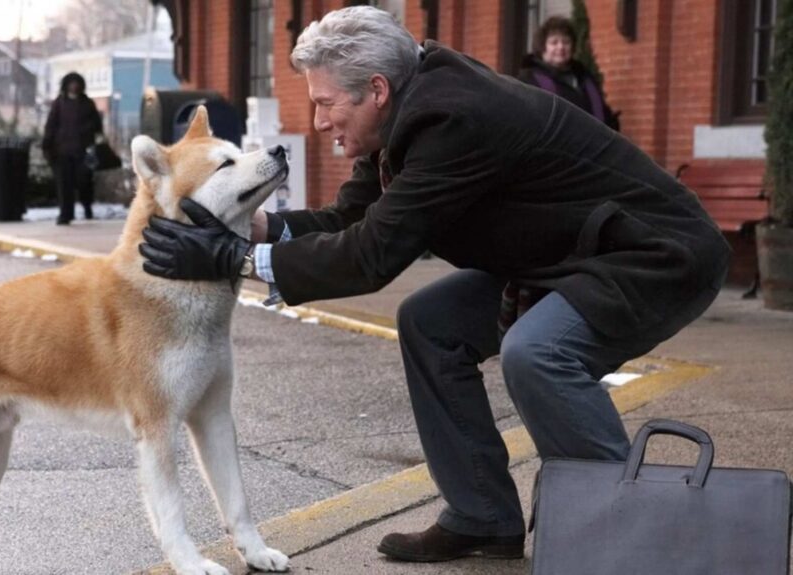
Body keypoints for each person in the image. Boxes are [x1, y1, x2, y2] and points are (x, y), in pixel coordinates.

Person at [139, 6, 729, 564]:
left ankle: (635, 530)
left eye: (324, 104)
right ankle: (482, 516)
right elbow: (352, 220)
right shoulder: (405, 111)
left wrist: (232, 258)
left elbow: (371, 256)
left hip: (653, 256)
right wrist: (250, 225)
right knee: (430, 323)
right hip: (571, 256)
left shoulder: (454, 119)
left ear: (375, 90)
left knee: (538, 353)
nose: (318, 123)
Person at [518, 16, 619, 130]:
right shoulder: (529, 80)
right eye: (554, 42)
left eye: (566, 42)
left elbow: (603, 114)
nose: (561, 47)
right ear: (542, 47)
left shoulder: (585, 78)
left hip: (594, 144)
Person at [42, 71, 104, 225]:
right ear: (66, 85)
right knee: (64, 185)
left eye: (76, 83)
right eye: (71, 83)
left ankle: (87, 207)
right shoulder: (59, 103)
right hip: (62, 152)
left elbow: (98, 126)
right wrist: (47, 145)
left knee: (84, 182)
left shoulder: (88, 103)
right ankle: (65, 214)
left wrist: (89, 135)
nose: (74, 86)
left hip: (83, 152)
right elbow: (51, 126)